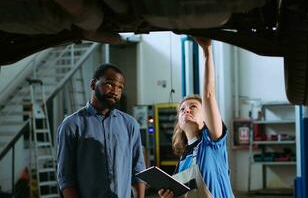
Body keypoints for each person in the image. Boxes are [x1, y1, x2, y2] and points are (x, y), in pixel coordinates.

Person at [158, 37, 234, 198]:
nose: (186, 110)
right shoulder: (182, 161)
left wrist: (207, 52)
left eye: (193, 107)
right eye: (182, 109)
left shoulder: (212, 143)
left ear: (205, 117)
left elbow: (208, 94)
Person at [56, 64, 146, 198]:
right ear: (93, 84)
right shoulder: (72, 125)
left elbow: (138, 171)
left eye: (120, 87)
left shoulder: (130, 124)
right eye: (109, 84)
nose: (115, 91)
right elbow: (65, 178)